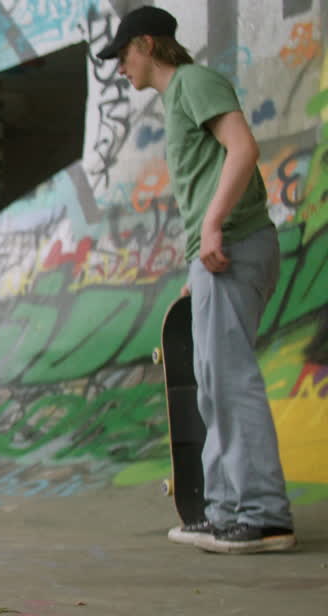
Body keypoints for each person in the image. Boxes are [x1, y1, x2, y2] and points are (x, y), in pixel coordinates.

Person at [96, 6, 295, 553]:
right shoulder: (179, 94)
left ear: (147, 44)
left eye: (123, 56)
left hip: (233, 244)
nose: (119, 69)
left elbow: (243, 148)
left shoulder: (193, 81)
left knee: (229, 379)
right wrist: (195, 261)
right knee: (212, 382)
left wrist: (211, 226)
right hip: (215, 257)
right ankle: (226, 509)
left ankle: (264, 514)